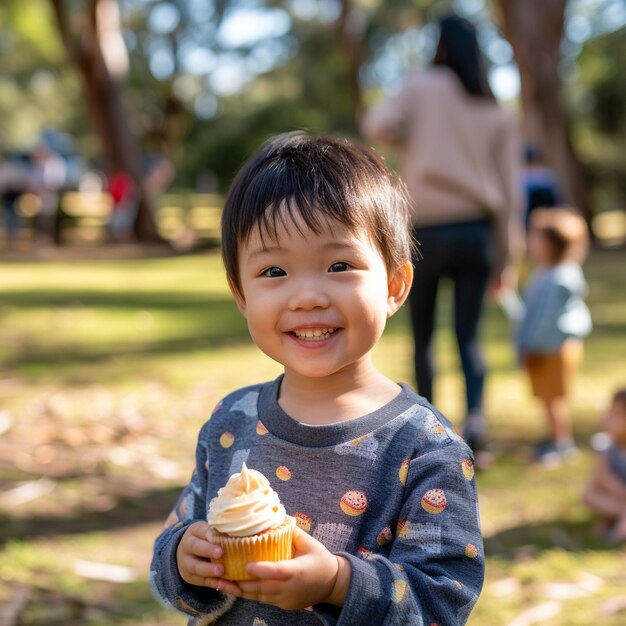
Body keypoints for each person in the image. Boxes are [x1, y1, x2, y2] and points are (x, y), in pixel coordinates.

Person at [150, 132, 484, 625]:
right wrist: (183, 559)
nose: (307, 295)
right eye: (273, 271)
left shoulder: (425, 448)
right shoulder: (231, 421)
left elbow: (442, 603)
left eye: (338, 265)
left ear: (394, 286)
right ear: (240, 294)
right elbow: (173, 548)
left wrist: (336, 583)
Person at [360, 14, 523, 460]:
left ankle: (426, 431)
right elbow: (512, 191)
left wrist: (411, 134)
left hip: (425, 232)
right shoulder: (495, 110)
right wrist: (508, 257)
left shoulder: (421, 87)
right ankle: (476, 421)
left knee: (424, 336)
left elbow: (376, 124)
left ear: (441, 47)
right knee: (468, 335)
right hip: (478, 231)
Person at [516, 207, 592, 466]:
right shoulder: (546, 273)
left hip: (551, 348)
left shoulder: (559, 278)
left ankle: (562, 445)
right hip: (545, 347)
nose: (531, 245)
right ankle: (554, 439)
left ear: (552, 246)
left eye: (536, 240)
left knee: (553, 399)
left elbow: (545, 320)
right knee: (548, 399)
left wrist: (530, 346)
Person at [583, 389, 626, 543]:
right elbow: (601, 478)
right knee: (589, 494)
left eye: (615, 415)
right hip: (617, 495)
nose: (607, 418)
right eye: (608, 413)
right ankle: (619, 515)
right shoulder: (604, 444)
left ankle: (616, 522)